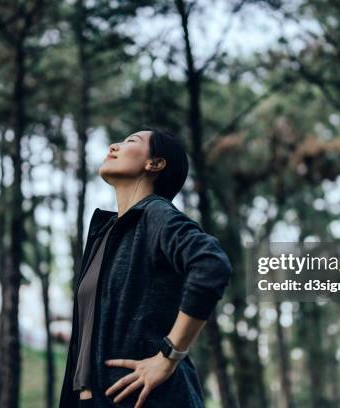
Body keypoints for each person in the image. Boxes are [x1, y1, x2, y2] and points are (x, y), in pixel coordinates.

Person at [59, 127, 233, 408]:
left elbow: (211, 264)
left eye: (130, 141)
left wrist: (169, 356)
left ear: (155, 163)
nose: (114, 145)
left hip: (147, 399)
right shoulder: (107, 233)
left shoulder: (156, 215)